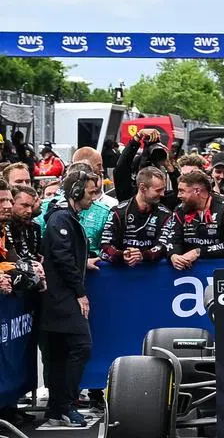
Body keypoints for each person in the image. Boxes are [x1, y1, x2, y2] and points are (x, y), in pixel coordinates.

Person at [41, 167, 102, 428]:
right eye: (90, 192)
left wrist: (82, 262)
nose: (94, 197)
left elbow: (67, 255)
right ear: (76, 192)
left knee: (59, 352)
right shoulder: (61, 219)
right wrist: (80, 293)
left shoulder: (64, 217)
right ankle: (65, 404)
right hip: (60, 297)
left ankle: (57, 408)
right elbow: (62, 257)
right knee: (80, 345)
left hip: (58, 295)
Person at [162, 170, 224, 268]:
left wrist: (198, 252)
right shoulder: (180, 210)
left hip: (222, 272)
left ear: (197, 191)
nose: (178, 195)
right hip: (188, 271)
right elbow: (172, 239)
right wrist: (173, 255)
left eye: (182, 191)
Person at [99, 166, 171, 265]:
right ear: (142, 188)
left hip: (153, 274)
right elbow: (105, 246)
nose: (163, 194)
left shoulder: (165, 214)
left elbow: (165, 246)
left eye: (163, 189)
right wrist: (122, 255)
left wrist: (143, 256)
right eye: (158, 190)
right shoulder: (118, 212)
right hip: (121, 274)